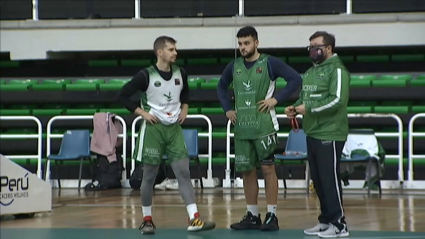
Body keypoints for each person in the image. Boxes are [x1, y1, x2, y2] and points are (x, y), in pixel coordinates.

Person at [115, 36, 215, 235]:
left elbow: (185, 93)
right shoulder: (145, 75)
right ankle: (147, 220)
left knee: (183, 173)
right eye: (170, 49)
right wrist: (143, 113)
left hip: (174, 129)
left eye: (175, 49)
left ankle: (194, 218)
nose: (175, 52)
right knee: (149, 176)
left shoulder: (181, 72)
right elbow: (122, 95)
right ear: (159, 52)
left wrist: (185, 108)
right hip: (153, 129)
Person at [217, 26, 302, 231]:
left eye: (246, 43)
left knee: (267, 169)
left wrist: (276, 99)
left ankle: (272, 215)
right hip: (242, 127)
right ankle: (252, 215)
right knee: (246, 171)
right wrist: (227, 109)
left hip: (264, 125)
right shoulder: (234, 65)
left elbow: (296, 79)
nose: (243, 47)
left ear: (256, 42)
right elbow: (221, 86)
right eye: (240, 44)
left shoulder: (269, 62)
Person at [285, 31, 350, 238]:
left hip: (330, 132)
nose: (312, 50)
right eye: (310, 46)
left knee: (329, 179)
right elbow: (305, 98)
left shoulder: (338, 70)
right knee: (319, 180)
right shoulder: (311, 72)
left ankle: (339, 225)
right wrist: (294, 108)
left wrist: (308, 108)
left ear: (329, 48)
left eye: (317, 46)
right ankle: (325, 220)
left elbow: (337, 100)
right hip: (312, 132)